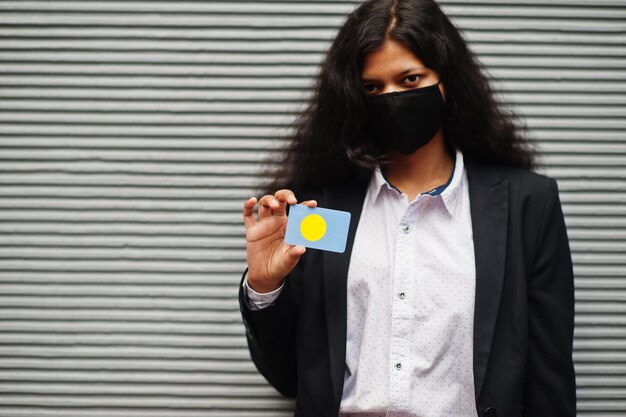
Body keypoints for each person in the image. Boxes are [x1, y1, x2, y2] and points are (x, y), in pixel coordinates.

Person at [238, 0, 576, 416]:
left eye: (410, 78)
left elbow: (549, 380)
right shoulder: (321, 208)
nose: (392, 99)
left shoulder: (525, 204)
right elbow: (289, 375)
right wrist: (266, 288)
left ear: (446, 80)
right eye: (372, 88)